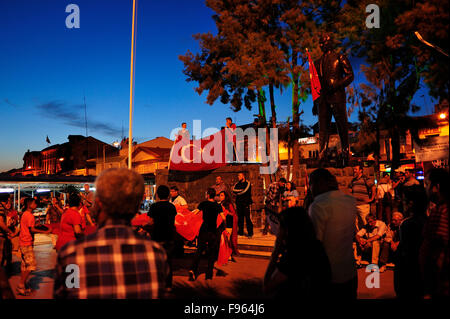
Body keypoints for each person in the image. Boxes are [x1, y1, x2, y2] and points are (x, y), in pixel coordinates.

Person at [54, 168, 169, 299]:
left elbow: (68, 293)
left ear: (99, 203)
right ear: (137, 207)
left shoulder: (72, 255)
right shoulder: (156, 254)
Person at [308, 168, 358, 299]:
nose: (309, 189)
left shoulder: (319, 205)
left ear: (319, 184)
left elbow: (314, 245)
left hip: (328, 276)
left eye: (310, 184)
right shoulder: (350, 201)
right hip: (350, 271)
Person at [264, 207, 331, 298]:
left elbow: (267, 287)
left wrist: (276, 251)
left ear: (288, 230)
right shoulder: (317, 246)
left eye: (280, 227)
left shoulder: (293, 256)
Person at [313, 33, 354, 166]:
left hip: (337, 96)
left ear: (330, 43)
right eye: (320, 42)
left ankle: (345, 152)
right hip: (322, 99)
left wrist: (336, 85)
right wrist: (315, 102)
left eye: (323, 42)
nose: (321, 45)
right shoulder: (317, 62)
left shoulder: (339, 57)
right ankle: (322, 154)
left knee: (341, 125)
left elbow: (350, 76)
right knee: (323, 128)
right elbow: (315, 84)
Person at [419, 168, 449, 299]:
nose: (425, 188)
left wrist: (430, 287)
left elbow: (438, 247)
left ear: (436, 187)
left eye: (427, 184)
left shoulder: (441, 211)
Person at [395, 186, 427, 299]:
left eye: (404, 200)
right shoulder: (427, 220)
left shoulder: (407, 224)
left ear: (411, 203)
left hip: (408, 274)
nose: (402, 203)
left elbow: (406, 252)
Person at [189, 188, 226, 281]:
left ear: (208, 195)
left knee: (199, 250)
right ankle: (208, 275)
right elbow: (223, 217)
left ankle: (193, 270)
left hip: (204, 230)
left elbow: (195, 212)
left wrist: (187, 216)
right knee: (211, 253)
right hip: (213, 231)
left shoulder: (203, 204)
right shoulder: (218, 206)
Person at [17, 198, 51, 296]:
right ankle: (21, 284)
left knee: (24, 266)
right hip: (27, 242)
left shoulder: (24, 214)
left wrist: (37, 225)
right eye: (34, 203)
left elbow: (28, 227)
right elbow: (31, 230)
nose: (36, 204)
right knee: (31, 265)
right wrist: (45, 232)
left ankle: (22, 286)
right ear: (29, 204)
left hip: (23, 241)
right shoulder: (30, 215)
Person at [147, 185, 177, 288]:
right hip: (169, 238)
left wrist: (144, 227)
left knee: (156, 263)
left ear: (158, 195)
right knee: (168, 263)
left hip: (157, 238)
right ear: (168, 195)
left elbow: (150, 222)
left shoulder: (154, 207)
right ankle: (168, 286)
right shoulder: (172, 207)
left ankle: (156, 285)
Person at [231, 172, 253, 238]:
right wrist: (240, 191)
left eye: (240, 176)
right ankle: (241, 232)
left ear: (243, 176)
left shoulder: (248, 183)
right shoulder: (237, 184)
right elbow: (233, 190)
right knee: (240, 218)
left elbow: (245, 191)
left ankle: (250, 233)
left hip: (246, 203)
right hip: (239, 203)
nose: (238, 177)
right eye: (238, 176)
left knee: (248, 218)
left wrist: (238, 192)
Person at [218, 191, 239, 258]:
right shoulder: (220, 203)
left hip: (229, 223)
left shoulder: (229, 204)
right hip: (223, 223)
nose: (220, 197)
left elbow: (233, 214)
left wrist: (226, 212)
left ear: (225, 196)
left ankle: (229, 254)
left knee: (227, 239)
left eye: (221, 195)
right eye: (219, 195)